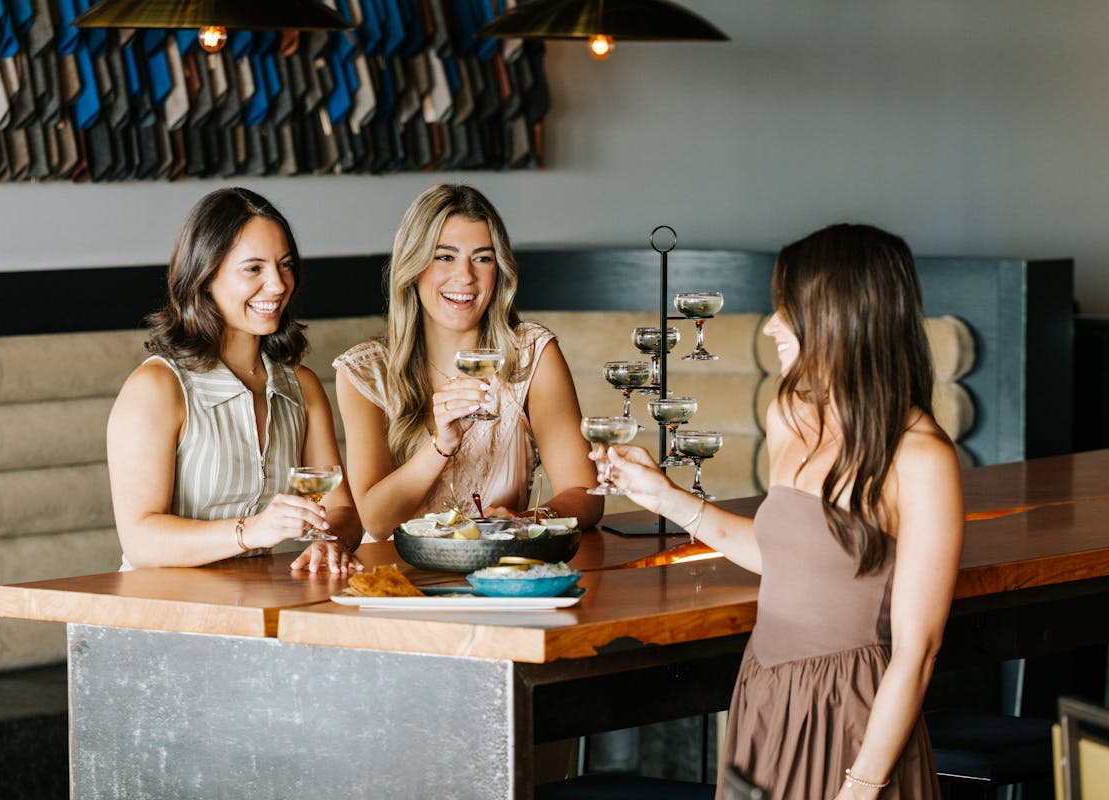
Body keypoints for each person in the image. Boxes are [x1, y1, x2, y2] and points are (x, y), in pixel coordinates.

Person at [597, 224, 963, 799]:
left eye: (786, 310)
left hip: (854, 720)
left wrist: (861, 786)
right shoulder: (789, 413)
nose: (771, 326)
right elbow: (785, 560)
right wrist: (663, 496)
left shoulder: (922, 458)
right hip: (765, 698)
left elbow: (918, 653)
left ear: (841, 315)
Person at [107, 188, 363, 573]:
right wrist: (251, 531)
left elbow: (342, 510)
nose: (278, 285)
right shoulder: (156, 387)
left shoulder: (302, 387)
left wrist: (330, 542)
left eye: (285, 265)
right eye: (254, 268)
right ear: (205, 276)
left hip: (259, 600)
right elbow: (140, 541)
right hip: (160, 605)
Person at [333, 184, 603, 539]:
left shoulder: (532, 354)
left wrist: (525, 520)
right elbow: (377, 521)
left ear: (499, 269)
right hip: (394, 572)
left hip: (504, 567)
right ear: (413, 266)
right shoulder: (365, 372)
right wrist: (441, 445)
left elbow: (585, 495)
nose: (465, 276)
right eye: (445, 257)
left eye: (483, 258)